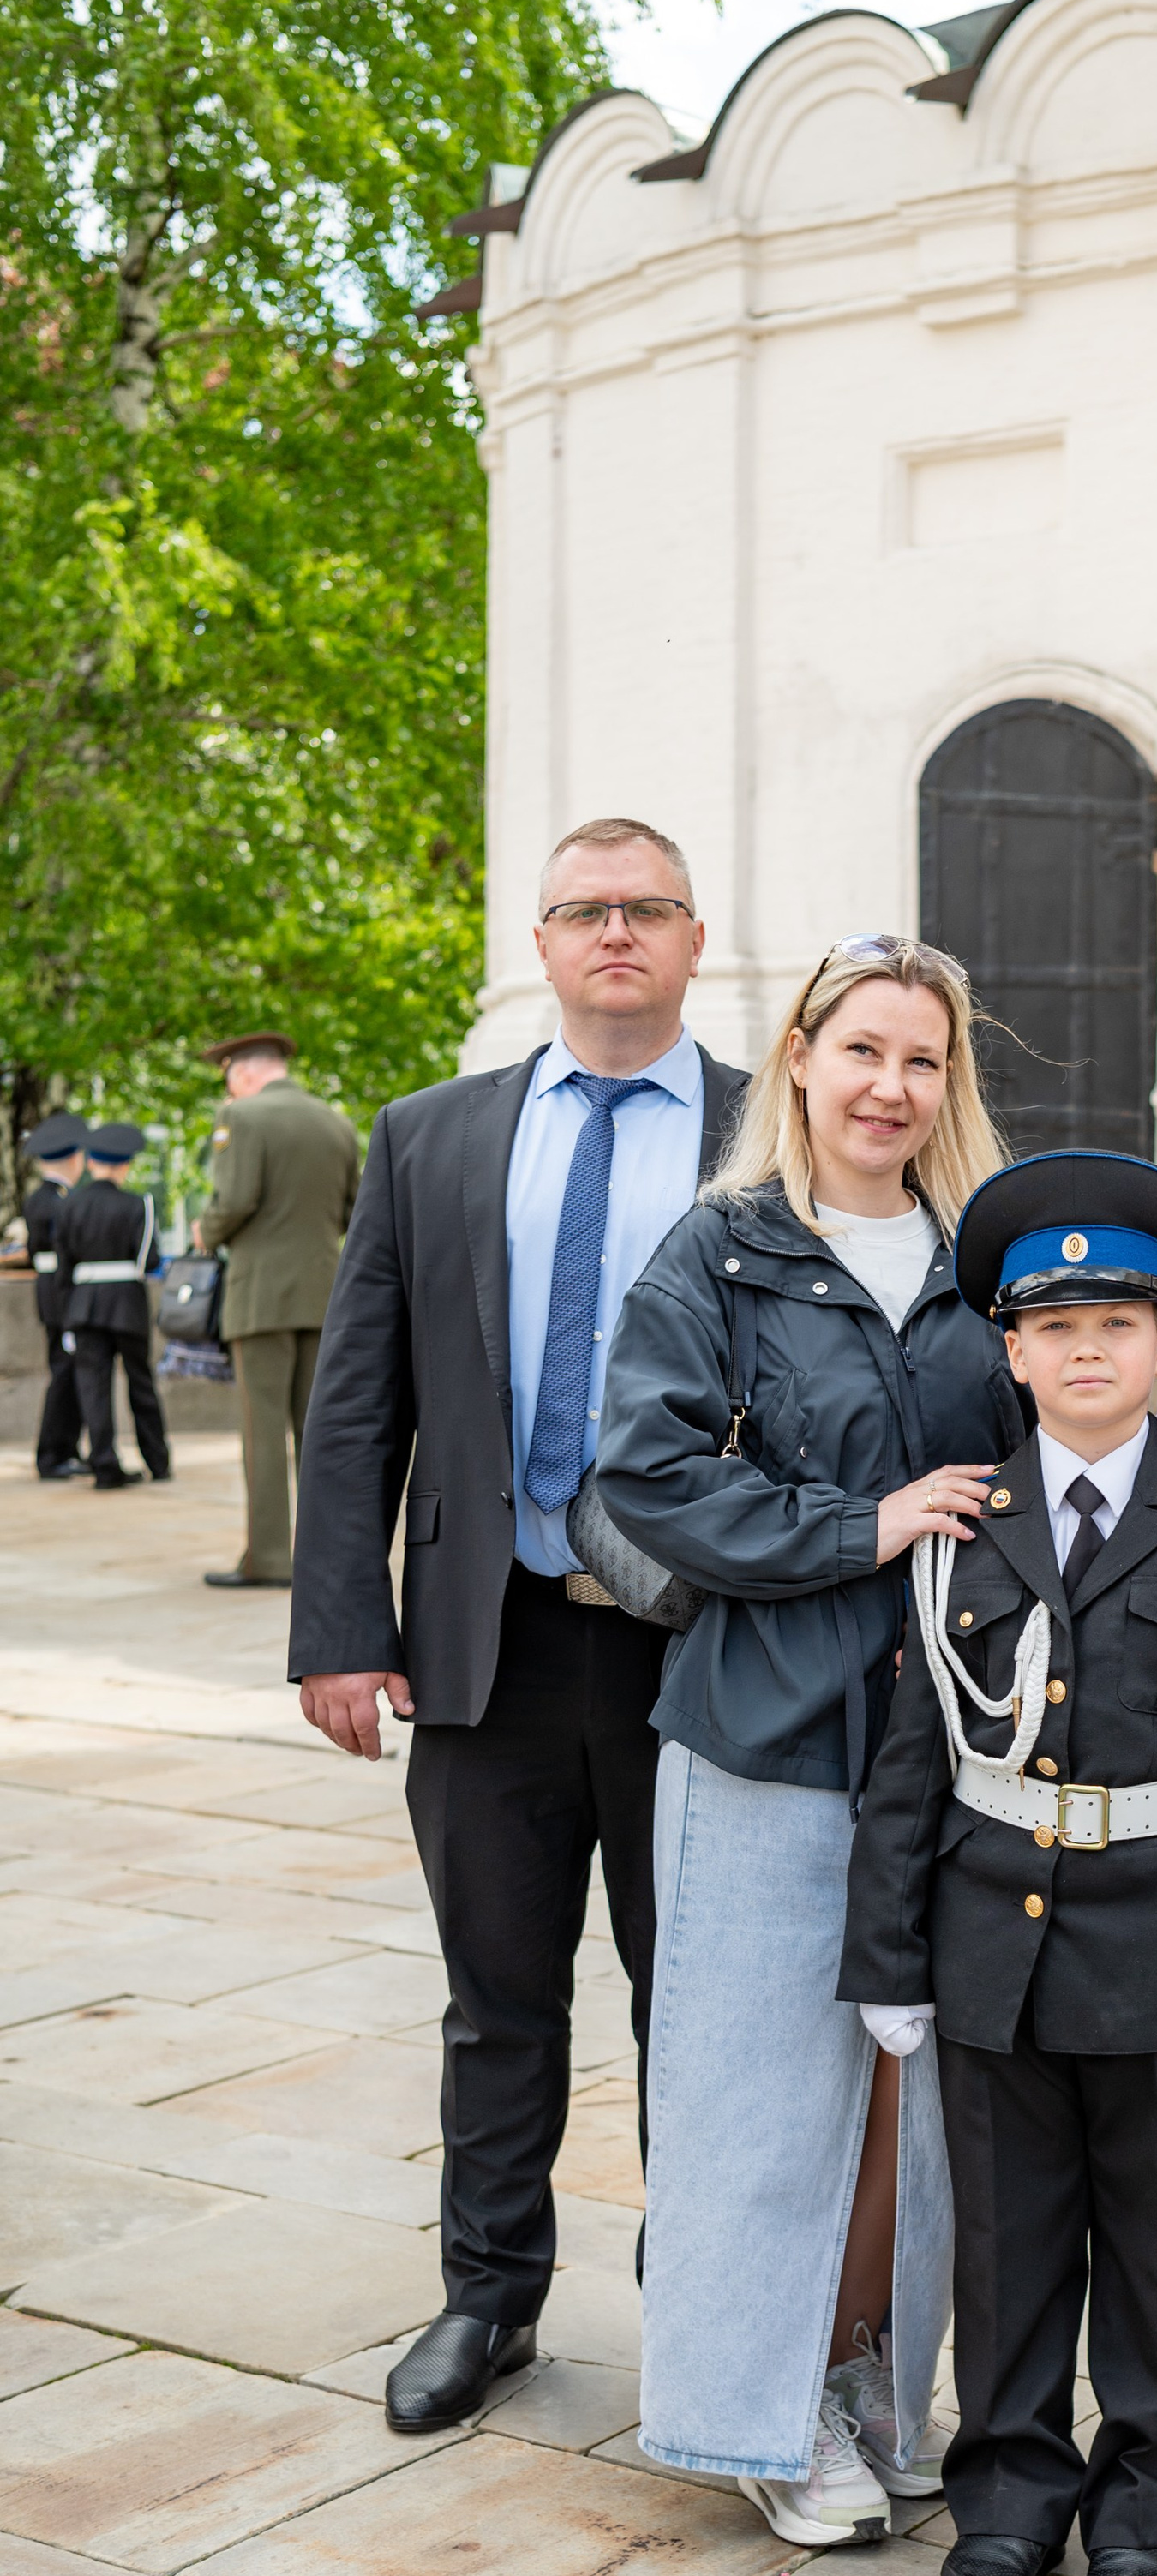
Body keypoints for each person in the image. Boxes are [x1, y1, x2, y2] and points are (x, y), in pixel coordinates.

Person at [290, 818, 746, 2435]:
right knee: (499, 1994)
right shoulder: (430, 1136)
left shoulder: (777, 1132)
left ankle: (708, 2306)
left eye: (646, 910)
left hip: (705, 1652)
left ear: (696, 938)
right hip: (486, 1645)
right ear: (543, 943)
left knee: (696, 1999)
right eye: (583, 911)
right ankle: (488, 2296)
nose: (614, 933)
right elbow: (356, 1407)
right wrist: (340, 1625)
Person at [839, 1154, 1157, 2576]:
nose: (1090, 1348)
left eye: (1122, 1321)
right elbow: (913, 1754)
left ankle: (1142, 2506)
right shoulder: (960, 1520)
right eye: (1057, 1327)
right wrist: (891, 1957)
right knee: (1008, 2243)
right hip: (994, 1947)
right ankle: (1007, 2497)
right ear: (1012, 1350)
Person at [594, 935, 1024, 2552]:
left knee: (914, 2108)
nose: (890, 1088)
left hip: (956, 1738)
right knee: (761, 2089)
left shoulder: (989, 1261)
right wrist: (864, 1523)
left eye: (922, 1060)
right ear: (798, 1058)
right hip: (764, 1727)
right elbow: (645, 1473)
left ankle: (867, 2382)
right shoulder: (720, 1252)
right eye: (864, 1052)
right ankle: (752, 2416)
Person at [193, 1032, 362, 1591]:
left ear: (241, 1072)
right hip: (323, 1294)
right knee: (319, 1433)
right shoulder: (335, 1123)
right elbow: (351, 1213)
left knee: (262, 1432)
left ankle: (267, 1556)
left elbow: (234, 1200)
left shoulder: (239, 1118)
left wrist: (205, 1231)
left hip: (261, 1295)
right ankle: (331, 1556)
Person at [53, 1125, 171, 1491]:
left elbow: (63, 1265)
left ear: (90, 1163)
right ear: (125, 1167)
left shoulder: (69, 1204)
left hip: (84, 1304)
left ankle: (105, 1466)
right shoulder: (139, 1204)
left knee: (93, 1387)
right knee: (140, 1382)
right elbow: (148, 1259)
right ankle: (158, 1461)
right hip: (126, 1304)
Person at [22, 1113, 90, 1480]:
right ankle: (51, 1454)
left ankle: (66, 1447)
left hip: (55, 1289)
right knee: (64, 1371)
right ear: (73, 1159)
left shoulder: (50, 1197)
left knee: (69, 1370)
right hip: (58, 1292)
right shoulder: (53, 1201)